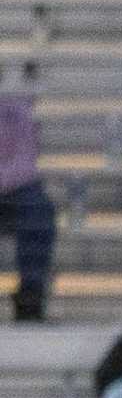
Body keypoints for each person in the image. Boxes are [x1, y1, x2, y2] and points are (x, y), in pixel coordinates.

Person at [0, 91, 56, 323]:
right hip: (13, 185)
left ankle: (31, 294)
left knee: (38, 211)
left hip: (17, 187)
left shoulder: (15, 110)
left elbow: (26, 159)